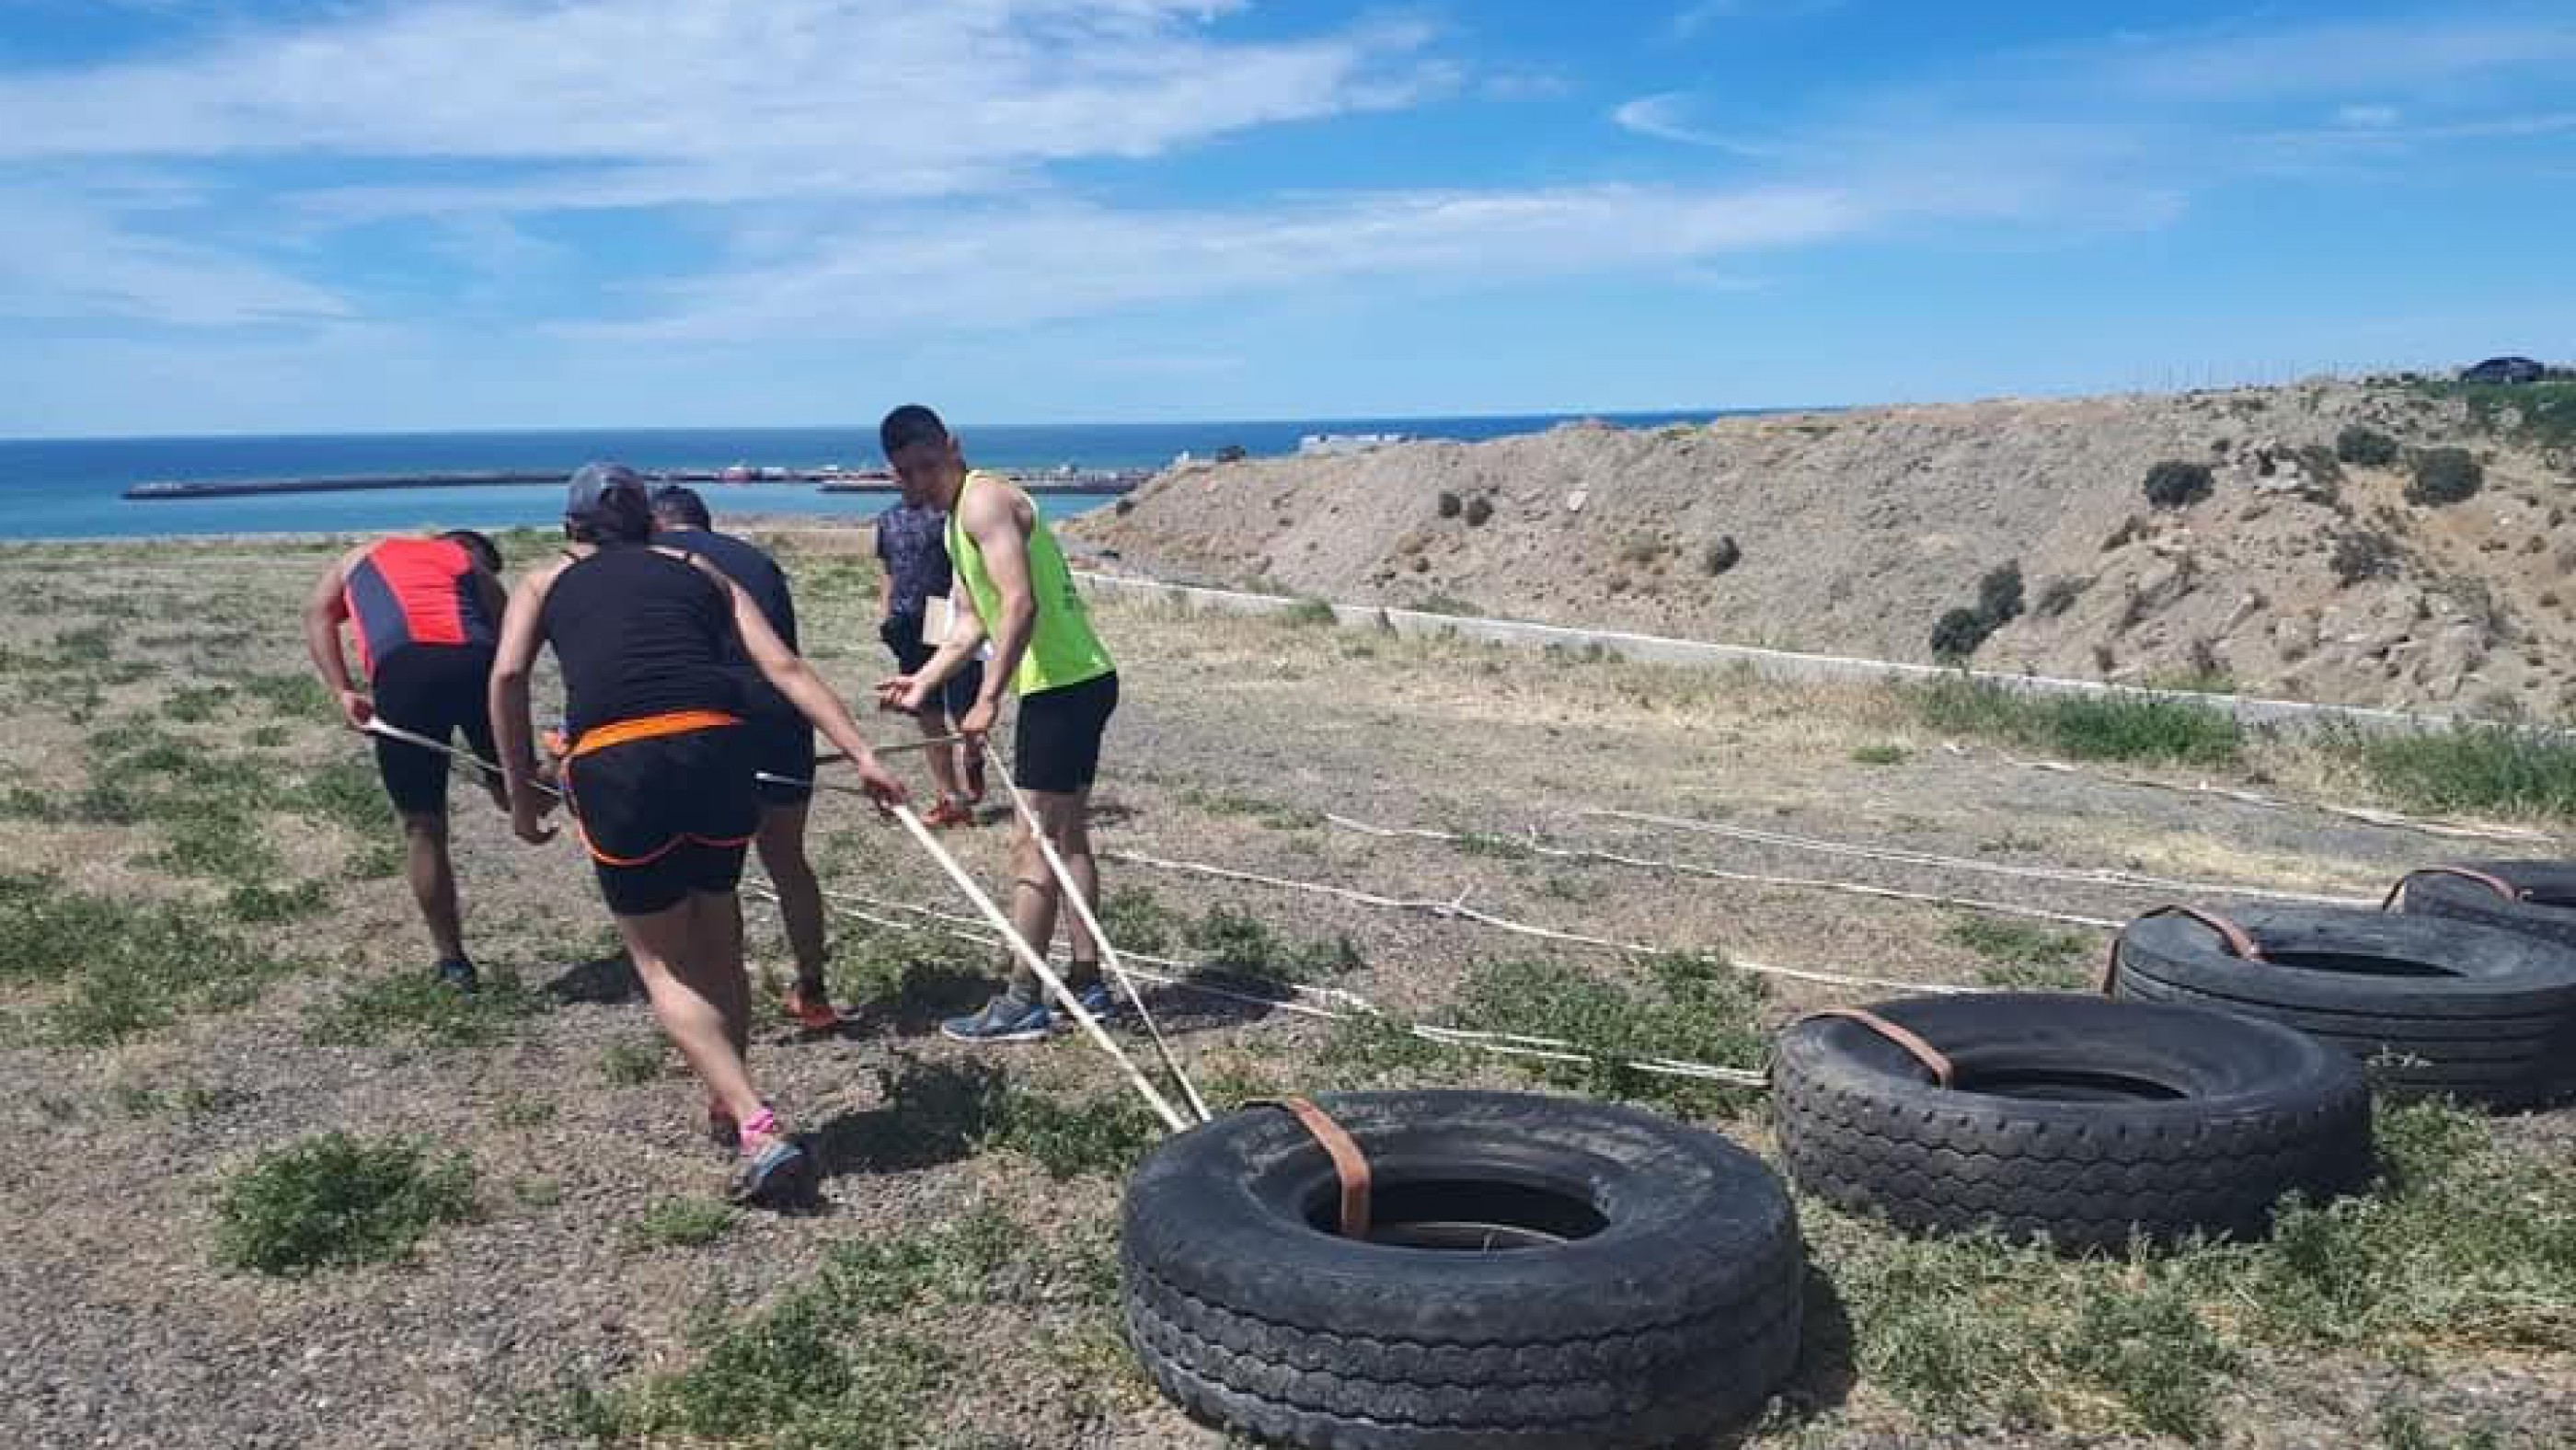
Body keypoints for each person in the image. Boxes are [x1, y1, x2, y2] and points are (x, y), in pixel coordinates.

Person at [490, 464, 904, 1204]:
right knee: (718, 937)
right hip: (718, 749)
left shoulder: (545, 580)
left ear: (571, 528)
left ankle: (755, 1123)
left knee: (662, 964)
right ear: (650, 522)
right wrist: (863, 754)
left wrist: (523, 794)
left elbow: (508, 678)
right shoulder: (697, 567)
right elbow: (783, 666)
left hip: (619, 761)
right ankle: (727, 1095)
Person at [872, 406, 1120, 1045]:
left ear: (952, 446)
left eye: (928, 465)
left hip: (1061, 686)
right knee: (1066, 838)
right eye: (906, 473)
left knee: (1031, 842)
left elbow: (1019, 603)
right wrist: (923, 680)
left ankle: (1022, 999)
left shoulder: (983, 503)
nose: (920, 481)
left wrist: (986, 698)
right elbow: (970, 620)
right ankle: (1088, 984)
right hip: (1079, 679)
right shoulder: (956, 520)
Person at [648, 485, 840, 1030]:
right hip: (780, 709)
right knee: (788, 860)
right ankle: (813, 989)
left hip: (715, 718)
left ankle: (724, 1003)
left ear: (657, 524)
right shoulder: (756, 560)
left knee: (713, 874)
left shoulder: (660, 563)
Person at [303, 528, 509, 992]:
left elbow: (317, 613)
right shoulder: (464, 561)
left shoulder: (361, 555)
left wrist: (342, 690)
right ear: (470, 551)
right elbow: (509, 632)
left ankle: (453, 963)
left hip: (404, 671)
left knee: (423, 826)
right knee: (519, 792)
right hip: (476, 663)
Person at [873, 471, 986, 827]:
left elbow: (966, 568)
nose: (904, 478)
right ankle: (949, 797)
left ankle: (973, 756)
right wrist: (885, 614)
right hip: (905, 622)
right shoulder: (888, 518)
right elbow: (888, 570)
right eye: (898, 472)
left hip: (945, 617)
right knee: (928, 713)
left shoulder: (944, 516)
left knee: (963, 709)